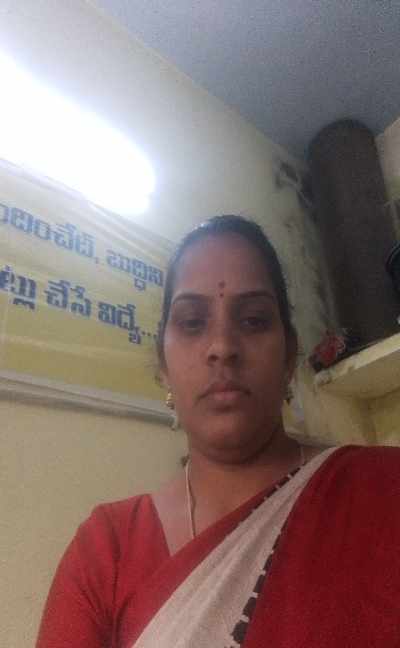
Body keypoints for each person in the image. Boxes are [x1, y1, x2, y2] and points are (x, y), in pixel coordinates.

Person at [36, 215, 400, 648]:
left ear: (289, 356)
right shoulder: (106, 549)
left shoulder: (382, 489)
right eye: (192, 322)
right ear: (163, 366)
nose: (223, 347)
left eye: (253, 320)